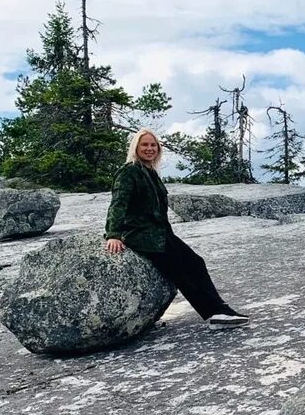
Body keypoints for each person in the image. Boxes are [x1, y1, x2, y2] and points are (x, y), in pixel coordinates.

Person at [104, 129, 249, 326]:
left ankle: (219, 310)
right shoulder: (129, 171)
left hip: (160, 234)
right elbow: (118, 203)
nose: (149, 149)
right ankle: (215, 313)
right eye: (144, 145)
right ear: (135, 147)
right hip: (142, 236)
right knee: (182, 271)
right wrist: (113, 234)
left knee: (196, 263)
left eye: (153, 145)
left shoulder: (150, 172)